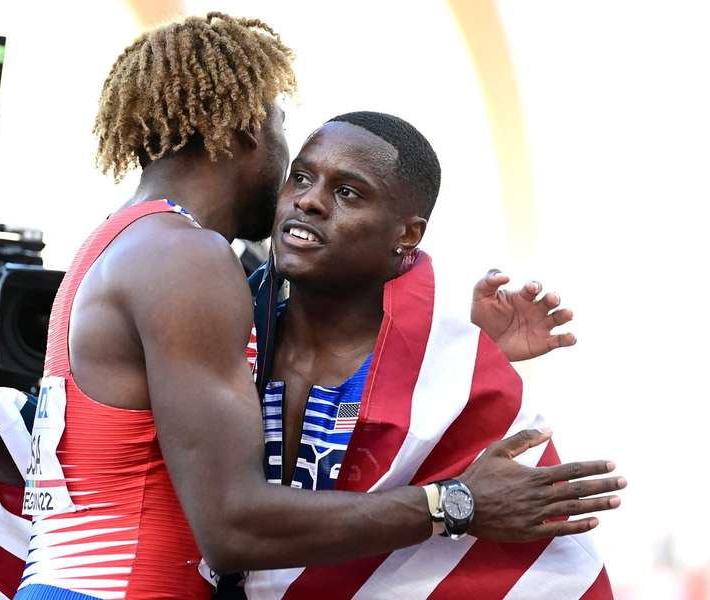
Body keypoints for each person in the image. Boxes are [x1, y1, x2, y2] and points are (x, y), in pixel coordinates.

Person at [0, 13, 622, 600]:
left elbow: (57, 473)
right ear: (247, 129)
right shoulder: (188, 257)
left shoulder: (113, 244)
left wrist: (447, 342)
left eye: (341, 190)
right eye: (290, 146)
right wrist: (457, 504)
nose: (298, 188)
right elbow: (232, 527)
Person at [241, 111, 615, 597]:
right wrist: (455, 502)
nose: (309, 200)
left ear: (407, 235)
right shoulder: (220, 328)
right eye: (303, 177)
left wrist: (455, 360)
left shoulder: (451, 378)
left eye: (347, 192)